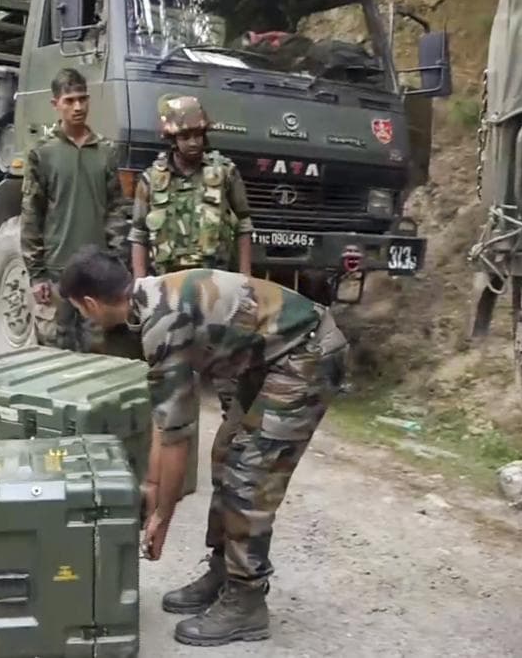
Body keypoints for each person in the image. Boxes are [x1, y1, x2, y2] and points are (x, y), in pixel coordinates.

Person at [59, 246, 348, 647]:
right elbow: (167, 421)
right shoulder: (149, 299)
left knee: (251, 476)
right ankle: (224, 570)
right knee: (227, 453)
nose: (85, 317)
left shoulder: (162, 322)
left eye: (80, 309)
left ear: (89, 303)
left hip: (306, 355)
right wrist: (152, 486)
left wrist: (162, 516)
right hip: (269, 357)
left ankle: (247, 601)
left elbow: (177, 439)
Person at [20, 67, 125, 352]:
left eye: (82, 99)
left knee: (98, 352)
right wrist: (37, 274)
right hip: (56, 273)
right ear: (56, 104)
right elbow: (31, 216)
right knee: (53, 349)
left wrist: (117, 265)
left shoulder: (106, 152)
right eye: (69, 101)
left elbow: (115, 211)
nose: (78, 107)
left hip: (97, 276)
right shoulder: (42, 153)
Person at [129, 95, 252, 279]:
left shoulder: (226, 173)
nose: (193, 142)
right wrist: (140, 283)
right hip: (166, 283)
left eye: (198, 135)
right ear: (172, 139)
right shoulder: (151, 180)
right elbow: (139, 234)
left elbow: (244, 224)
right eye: (185, 137)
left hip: (215, 281)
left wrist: (245, 277)